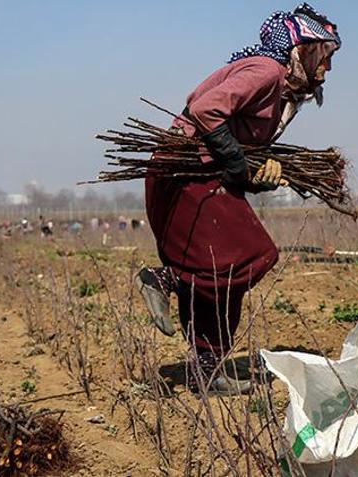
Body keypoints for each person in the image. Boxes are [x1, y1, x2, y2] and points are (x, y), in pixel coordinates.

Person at [137, 3, 341, 396]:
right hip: (184, 172)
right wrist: (234, 160)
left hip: (200, 175)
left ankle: (208, 373)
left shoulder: (285, 95)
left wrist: (258, 176)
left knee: (221, 278)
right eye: (325, 56)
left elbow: (239, 157)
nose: (328, 68)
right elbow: (203, 109)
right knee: (253, 254)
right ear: (304, 47)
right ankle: (165, 279)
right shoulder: (266, 71)